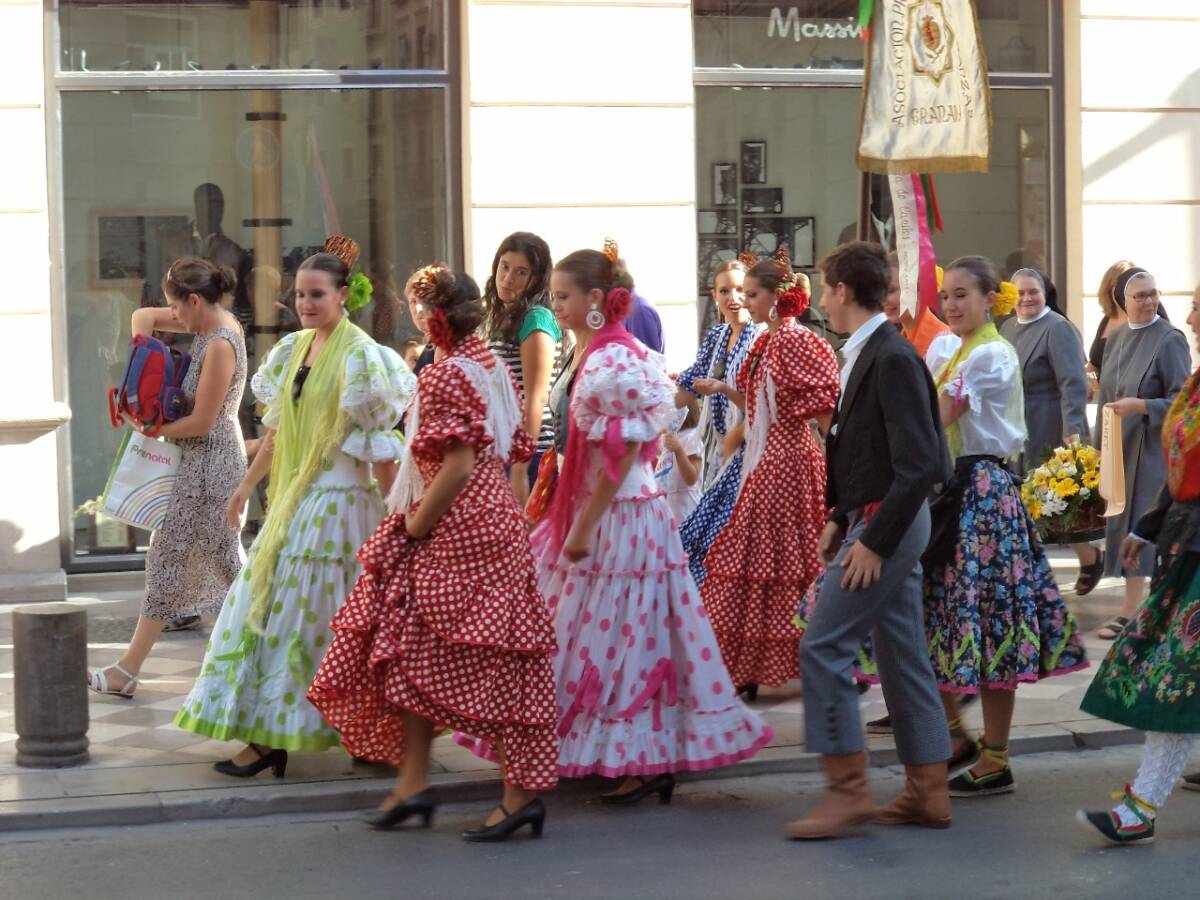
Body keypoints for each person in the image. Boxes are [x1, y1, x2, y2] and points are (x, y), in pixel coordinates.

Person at [460, 240, 772, 800]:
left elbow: (623, 454)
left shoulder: (612, 358)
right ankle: (618, 754)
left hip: (621, 516)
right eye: (553, 296)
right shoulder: (593, 351)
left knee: (627, 634)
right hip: (605, 511)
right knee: (599, 633)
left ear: (597, 299)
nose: (553, 307)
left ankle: (642, 759)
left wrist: (582, 526)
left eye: (562, 297)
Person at [308, 266, 558, 843]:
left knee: (480, 662)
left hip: (456, 527)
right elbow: (510, 444)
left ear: (433, 316)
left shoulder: (449, 376)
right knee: (411, 650)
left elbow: (459, 465)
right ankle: (413, 784)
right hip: (486, 521)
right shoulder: (488, 364)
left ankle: (517, 793)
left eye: (419, 307)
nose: (414, 316)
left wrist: (414, 526)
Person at [174, 236, 416, 777]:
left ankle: (359, 733)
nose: (306, 303)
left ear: (343, 297)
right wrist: (242, 488)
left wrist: (400, 519)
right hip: (297, 500)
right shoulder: (292, 351)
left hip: (344, 506)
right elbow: (279, 432)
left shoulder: (365, 359)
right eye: (301, 294)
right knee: (286, 615)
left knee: (328, 620)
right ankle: (273, 737)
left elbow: (382, 449)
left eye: (317, 294)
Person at [785, 241, 953, 840]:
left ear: (841, 291)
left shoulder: (890, 356)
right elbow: (866, 452)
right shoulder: (869, 351)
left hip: (892, 525)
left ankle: (846, 791)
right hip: (877, 518)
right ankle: (928, 792)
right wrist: (839, 513)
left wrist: (874, 540)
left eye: (824, 287)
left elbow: (921, 463)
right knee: (901, 656)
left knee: (822, 647)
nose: (820, 297)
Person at [923, 256, 1088, 797]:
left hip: (983, 494)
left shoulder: (992, 354)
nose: (951, 305)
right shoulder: (947, 348)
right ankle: (955, 735)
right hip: (947, 489)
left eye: (962, 295)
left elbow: (938, 416)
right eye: (946, 295)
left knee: (991, 624)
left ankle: (995, 755)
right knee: (934, 618)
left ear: (989, 298)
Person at [88, 259, 248, 698]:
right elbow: (143, 317)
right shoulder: (213, 323)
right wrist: (143, 363)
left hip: (210, 466)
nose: (174, 317)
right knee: (205, 565)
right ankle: (130, 669)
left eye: (178, 307)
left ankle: (129, 670)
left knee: (209, 566)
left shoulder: (219, 343)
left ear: (196, 300)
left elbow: (201, 422)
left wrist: (149, 428)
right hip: (200, 465)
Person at [1076, 288, 1200, 845]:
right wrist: (1146, 528)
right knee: (1176, 678)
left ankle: (1140, 807)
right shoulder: (1198, 384)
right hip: (1186, 546)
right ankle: (1140, 807)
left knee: (1175, 679)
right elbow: (1182, 472)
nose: (1192, 316)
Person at [700, 250, 841, 699]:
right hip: (768, 459)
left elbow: (823, 411)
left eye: (753, 294)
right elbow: (758, 404)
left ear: (778, 296)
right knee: (765, 558)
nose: (746, 301)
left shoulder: (795, 341)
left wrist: (840, 467)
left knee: (784, 558)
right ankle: (751, 665)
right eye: (743, 293)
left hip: (790, 461)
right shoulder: (768, 341)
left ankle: (812, 659)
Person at [1095, 267, 1191, 640]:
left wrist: (1143, 406)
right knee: (1121, 525)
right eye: (1140, 295)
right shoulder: (1116, 338)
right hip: (1120, 446)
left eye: (1153, 293)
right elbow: (1105, 397)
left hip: (1153, 448)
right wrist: (1096, 451)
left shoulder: (1169, 339)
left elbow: (1184, 403)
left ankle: (1140, 611)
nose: (1149, 301)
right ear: (1123, 300)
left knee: (1143, 524)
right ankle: (1133, 608)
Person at [999, 268, 1099, 593]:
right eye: (1021, 292)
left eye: (1033, 291)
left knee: (1048, 503)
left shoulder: (1057, 328)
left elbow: (1072, 384)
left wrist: (1073, 431)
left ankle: (1086, 558)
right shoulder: (1009, 326)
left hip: (1049, 420)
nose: (1027, 298)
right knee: (1029, 504)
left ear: (1045, 293)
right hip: (1017, 423)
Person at [675, 257, 765, 585]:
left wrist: (724, 393)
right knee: (712, 537)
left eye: (741, 290)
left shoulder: (762, 338)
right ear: (714, 296)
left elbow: (762, 405)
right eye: (725, 290)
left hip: (748, 452)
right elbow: (689, 384)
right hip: (717, 452)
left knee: (730, 537)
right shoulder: (716, 336)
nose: (734, 298)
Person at [483, 232, 560, 505]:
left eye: (520, 272)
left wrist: (519, 465)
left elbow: (537, 396)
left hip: (530, 453)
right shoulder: (500, 315)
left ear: (535, 279)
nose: (507, 278)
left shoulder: (536, 317)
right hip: (504, 448)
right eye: (504, 267)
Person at [883, 252, 951, 359]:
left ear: (919, 288)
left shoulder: (943, 345)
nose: (884, 300)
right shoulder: (897, 341)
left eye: (891, 290)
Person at [1087, 259, 1138, 391]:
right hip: (1104, 402)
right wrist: (1087, 380)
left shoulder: (1141, 321)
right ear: (1109, 288)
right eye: (1119, 285)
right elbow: (1094, 363)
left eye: (1129, 285)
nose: (1123, 291)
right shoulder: (1106, 320)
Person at [655, 397, 704, 526]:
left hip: (686, 509)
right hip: (669, 509)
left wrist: (678, 450)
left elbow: (691, 478)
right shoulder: (668, 438)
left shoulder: (691, 436)